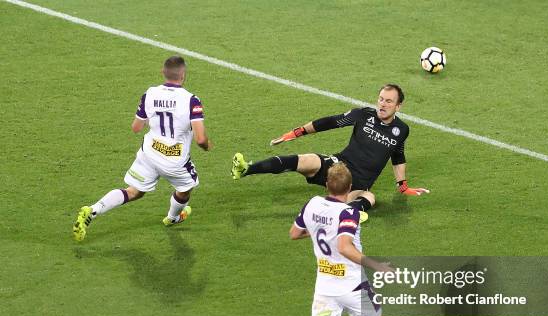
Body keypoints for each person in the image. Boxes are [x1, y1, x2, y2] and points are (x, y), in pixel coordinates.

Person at [258, 163, 423, 316]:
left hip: (325, 287)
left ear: (327, 185)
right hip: (354, 287)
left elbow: (294, 233)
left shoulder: (312, 204)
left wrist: (319, 230)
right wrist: (377, 265)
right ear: (349, 189)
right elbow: (345, 247)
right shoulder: (348, 213)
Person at [231, 84, 429, 222]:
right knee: (306, 160)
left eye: (388, 101)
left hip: (359, 182)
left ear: (398, 106)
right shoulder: (364, 114)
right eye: (380, 99)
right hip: (338, 165)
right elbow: (330, 122)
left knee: (370, 198)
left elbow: (398, 155)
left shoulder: (401, 130)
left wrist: (403, 186)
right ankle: (247, 169)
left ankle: (348, 212)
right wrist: (295, 133)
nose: (382, 104)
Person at [73, 56, 213, 241]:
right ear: (183, 75)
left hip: (150, 153)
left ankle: (93, 210)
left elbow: (136, 127)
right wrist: (207, 146)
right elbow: (201, 139)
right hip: (174, 161)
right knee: (185, 188)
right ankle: (172, 218)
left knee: (133, 191)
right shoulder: (191, 100)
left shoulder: (150, 93)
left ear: (163, 73)